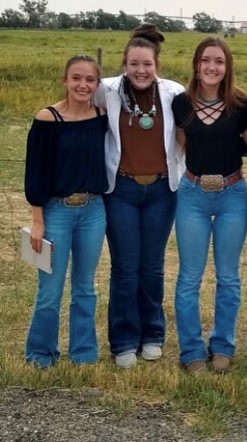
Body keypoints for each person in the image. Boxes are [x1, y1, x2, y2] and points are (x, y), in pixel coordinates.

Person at [95, 24, 185, 369]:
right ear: (125, 63)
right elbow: (76, 108)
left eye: (146, 64)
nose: (140, 70)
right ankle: (124, 340)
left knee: (152, 266)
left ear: (156, 63)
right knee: (125, 267)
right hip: (121, 191)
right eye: (134, 64)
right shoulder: (106, 91)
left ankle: (152, 334)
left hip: (162, 191)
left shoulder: (173, 93)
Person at [172, 37, 247, 374]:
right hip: (192, 195)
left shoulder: (240, 104)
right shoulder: (181, 104)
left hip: (232, 194)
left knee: (229, 278)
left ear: (227, 67)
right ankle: (191, 351)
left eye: (219, 61)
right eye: (206, 60)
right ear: (196, 64)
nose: (212, 67)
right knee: (189, 277)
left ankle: (222, 347)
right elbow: (180, 145)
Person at [24, 54, 108, 368]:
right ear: (65, 80)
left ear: (97, 85)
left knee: (85, 287)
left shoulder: (102, 118)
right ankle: (40, 353)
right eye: (76, 78)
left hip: (93, 211)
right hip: (55, 211)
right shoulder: (47, 119)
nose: (82, 85)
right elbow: (35, 173)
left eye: (89, 80)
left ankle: (83, 352)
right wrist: (37, 221)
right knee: (50, 287)